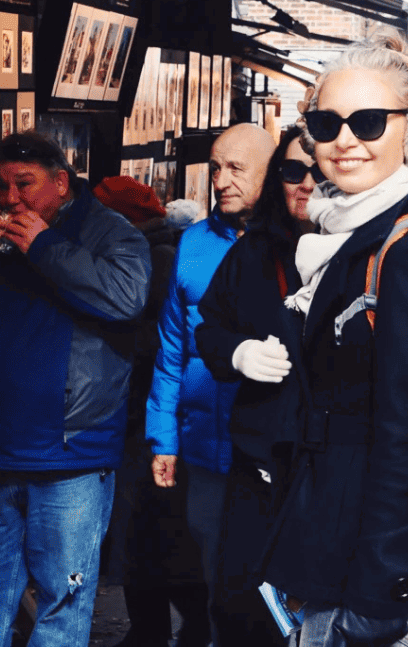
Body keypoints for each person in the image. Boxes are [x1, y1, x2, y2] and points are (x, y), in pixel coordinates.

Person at [0, 131, 151, 647]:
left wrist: (45, 245)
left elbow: (125, 298)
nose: (11, 198)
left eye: (25, 184)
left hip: (71, 456)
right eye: (4, 186)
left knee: (60, 615)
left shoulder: (113, 234)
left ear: (62, 183)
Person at [255, 33, 408, 647]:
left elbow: (401, 435)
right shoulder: (338, 237)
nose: (346, 140)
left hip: (365, 572)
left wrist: (380, 593)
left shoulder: (395, 250)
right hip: (332, 545)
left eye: (369, 122)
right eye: (327, 122)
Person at [145, 122, 275, 645]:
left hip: (265, 453)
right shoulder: (193, 244)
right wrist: (164, 439)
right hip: (202, 451)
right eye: (215, 168)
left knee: (261, 580)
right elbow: (171, 353)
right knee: (211, 577)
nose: (221, 181)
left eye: (236, 169)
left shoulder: (296, 245)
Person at [195, 125, 321, 646]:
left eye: (318, 171)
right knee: (240, 601)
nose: (306, 183)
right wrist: (238, 352)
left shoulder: (369, 249)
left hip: (332, 464)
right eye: (293, 171)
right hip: (261, 459)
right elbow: (208, 328)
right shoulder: (254, 251)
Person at [94, 178, 207, 647]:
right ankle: (160, 630)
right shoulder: (164, 251)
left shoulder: (155, 260)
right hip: (149, 418)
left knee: (154, 537)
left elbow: (159, 344)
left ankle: (173, 630)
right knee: (150, 538)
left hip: (153, 420)